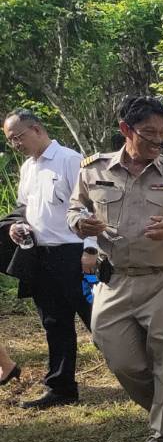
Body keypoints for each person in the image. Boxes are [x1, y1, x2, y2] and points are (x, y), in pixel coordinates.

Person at [68, 95, 163, 442]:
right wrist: (80, 224)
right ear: (125, 130)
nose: (158, 142)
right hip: (114, 279)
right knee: (120, 359)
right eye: (150, 134)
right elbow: (74, 208)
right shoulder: (93, 170)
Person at [4, 108, 95, 409]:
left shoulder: (70, 160)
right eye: (10, 141)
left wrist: (91, 249)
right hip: (41, 255)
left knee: (101, 320)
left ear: (38, 130)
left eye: (18, 137)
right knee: (54, 323)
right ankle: (61, 387)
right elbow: (24, 206)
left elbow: (92, 207)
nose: (16, 145)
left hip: (74, 254)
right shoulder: (28, 167)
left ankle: (145, 375)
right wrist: (19, 226)